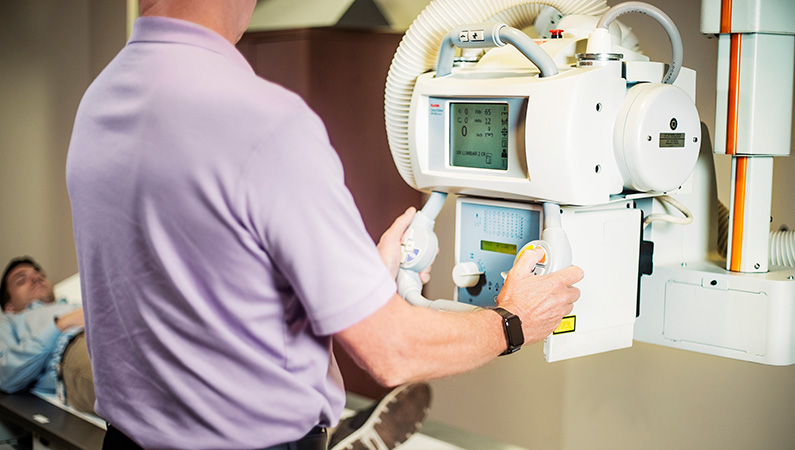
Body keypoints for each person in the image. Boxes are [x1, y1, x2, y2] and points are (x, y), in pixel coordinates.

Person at [65, 1, 583, 449]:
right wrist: (513, 321)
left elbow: (199, 288)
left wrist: (356, 284)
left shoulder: (101, 99)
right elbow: (392, 352)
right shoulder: (263, 121)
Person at [0, 257, 96, 414]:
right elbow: (6, 376)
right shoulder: (9, 320)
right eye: (21, 280)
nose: (36, 277)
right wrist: (61, 325)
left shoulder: (71, 304)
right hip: (74, 347)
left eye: (39, 274)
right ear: (9, 307)